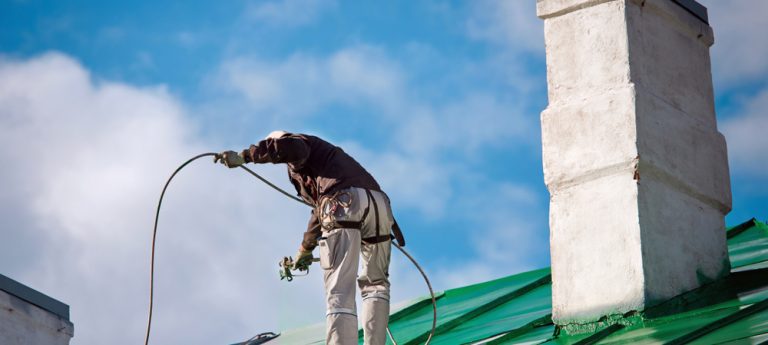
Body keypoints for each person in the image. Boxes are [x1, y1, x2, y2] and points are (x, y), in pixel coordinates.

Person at [215, 131, 405, 345]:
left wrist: (245, 156)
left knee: (339, 289)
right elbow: (319, 212)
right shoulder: (325, 163)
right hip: (378, 205)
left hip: (344, 203)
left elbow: (292, 148)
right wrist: (304, 251)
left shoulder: (299, 144)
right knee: (376, 284)